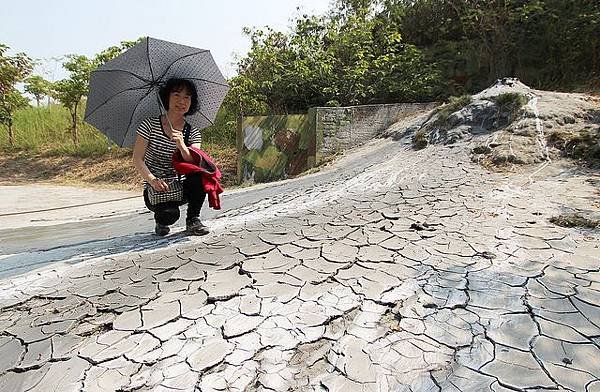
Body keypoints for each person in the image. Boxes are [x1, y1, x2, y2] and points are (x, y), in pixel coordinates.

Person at [133, 78, 209, 236]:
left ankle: (193, 219)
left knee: (200, 175)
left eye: (187, 97)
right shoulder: (148, 126)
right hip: (156, 187)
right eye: (176, 95)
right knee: (169, 216)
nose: (182, 101)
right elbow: (137, 159)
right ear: (166, 97)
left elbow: (194, 162)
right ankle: (160, 221)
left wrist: (181, 144)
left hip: (181, 187)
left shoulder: (192, 132)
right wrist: (152, 180)